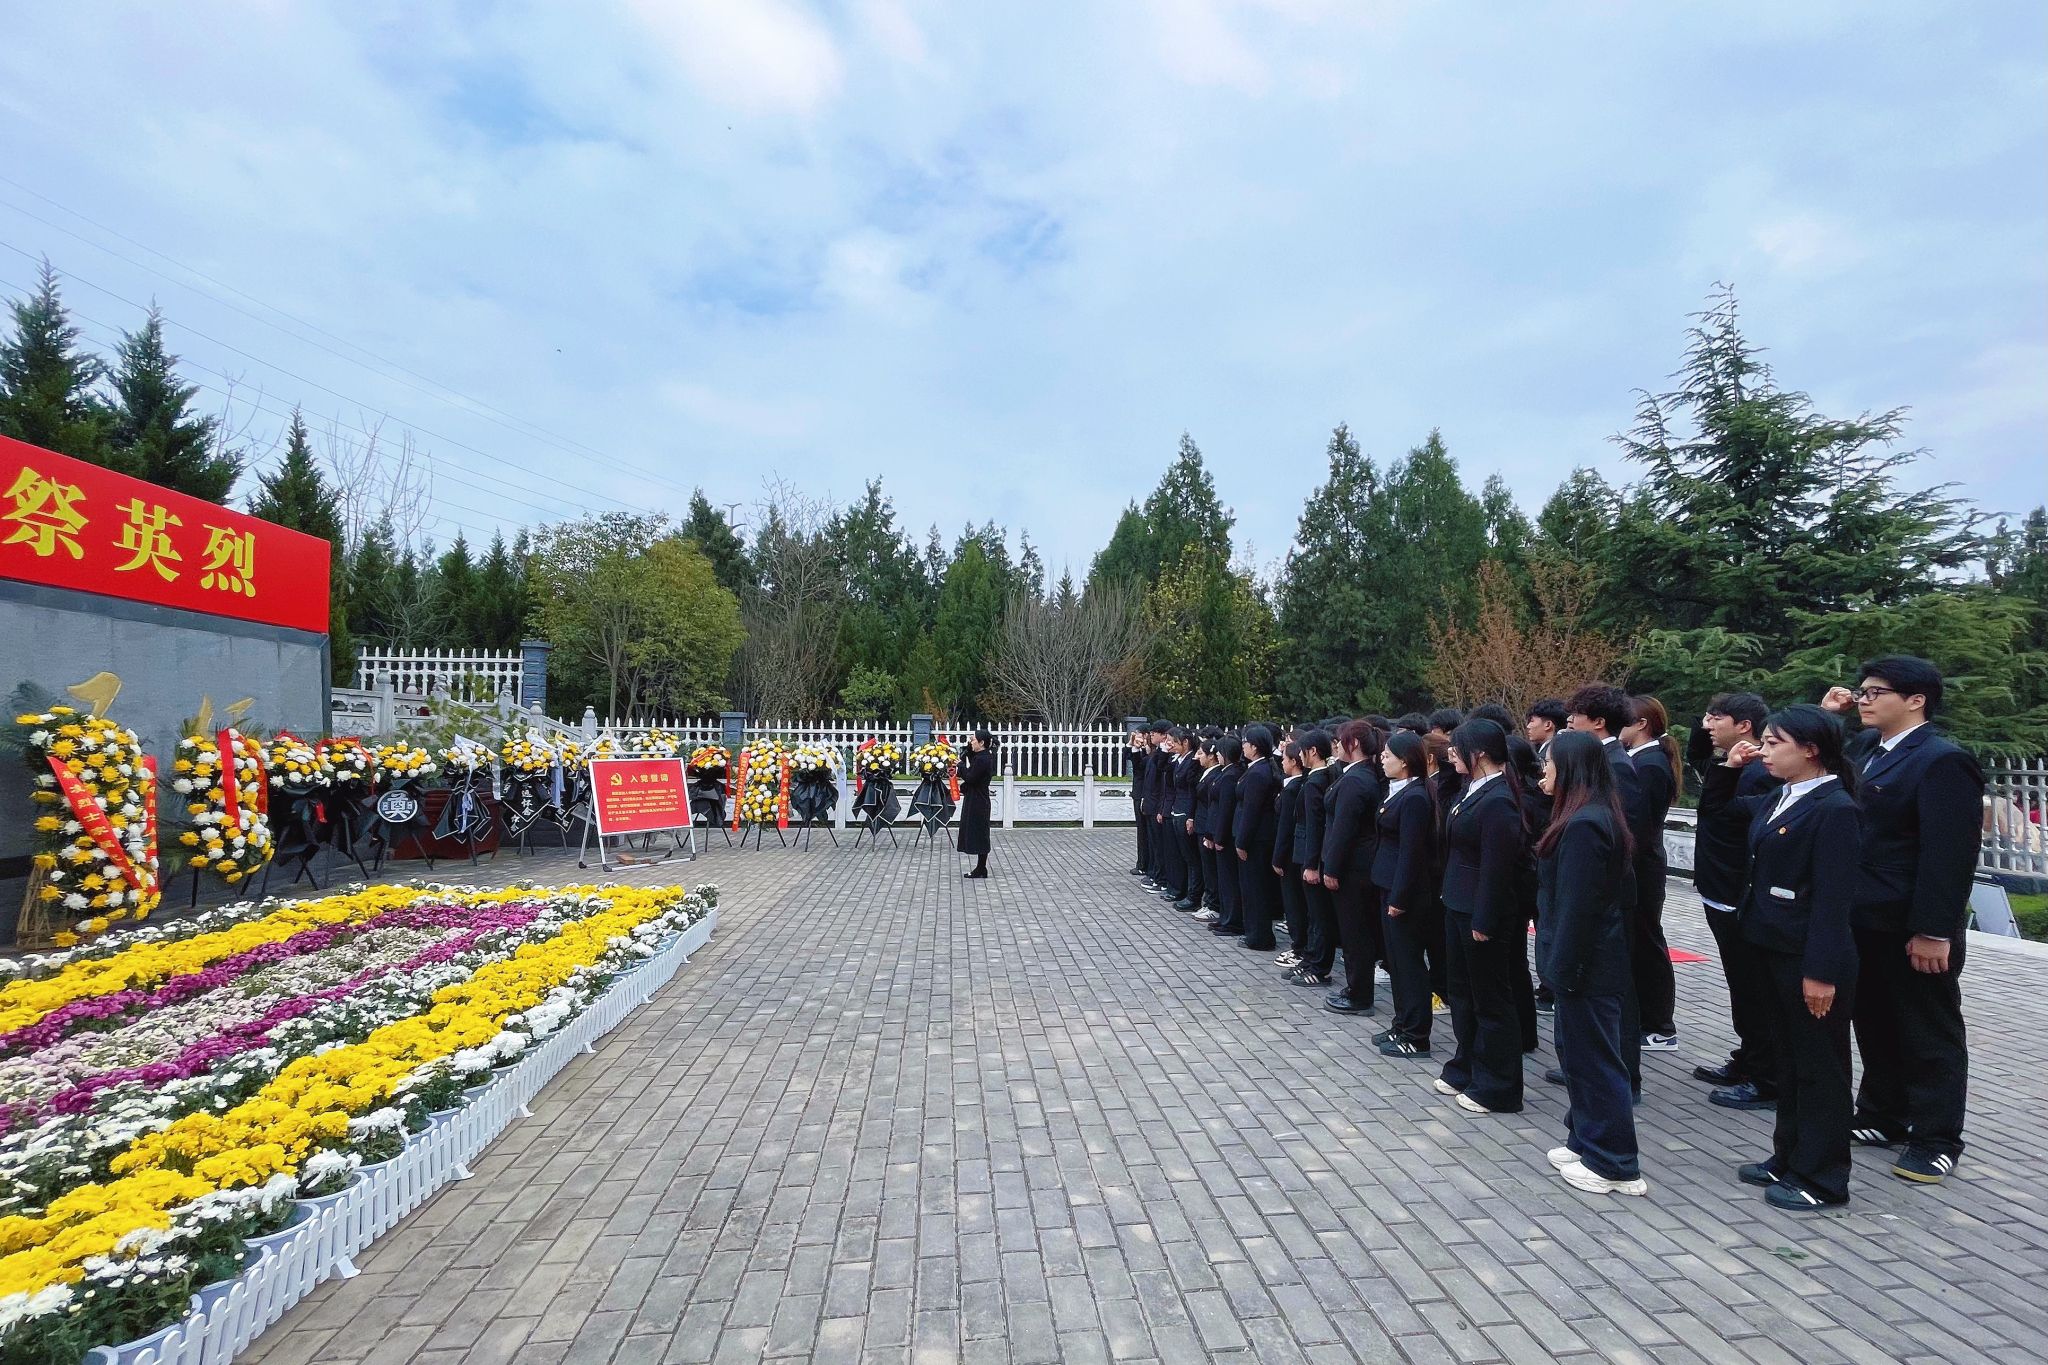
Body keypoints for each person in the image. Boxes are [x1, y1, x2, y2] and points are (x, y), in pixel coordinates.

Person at [1823, 656, 1984, 1185]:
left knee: (1927, 1029)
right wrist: (1829, 715)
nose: (1863, 699)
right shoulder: (1868, 748)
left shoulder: (1941, 761)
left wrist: (1933, 930)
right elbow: (1814, 761)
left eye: (1876, 692)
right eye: (1862, 691)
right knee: (1873, 1019)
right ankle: (1882, 1114)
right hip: (1862, 914)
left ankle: (1936, 1138)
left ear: (1916, 700)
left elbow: (1949, 854)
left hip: (1909, 922)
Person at [1712, 705, 1862, 1209]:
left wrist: (1820, 972)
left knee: (1820, 1067)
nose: (1764, 752)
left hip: (1807, 957)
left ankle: (1822, 1177)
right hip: (1770, 947)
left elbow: (1833, 900)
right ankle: (1790, 1156)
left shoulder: (1835, 808)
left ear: (1811, 750)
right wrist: (1727, 769)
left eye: (1775, 744)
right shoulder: (1782, 795)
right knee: (1790, 1061)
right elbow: (1721, 814)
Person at [1535, 730, 1646, 1196]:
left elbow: (1579, 907)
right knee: (1578, 1058)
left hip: (1587, 964)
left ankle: (1615, 1162)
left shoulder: (1586, 823)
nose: (1542, 773)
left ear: (1569, 769)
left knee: (1597, 1062)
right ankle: (1585, 1140)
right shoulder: (1590, 815)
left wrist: (1563, 970)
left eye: (1548, 765)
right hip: (1585, 960)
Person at [1689, 692, 1782, 1109]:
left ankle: (1766, 1075)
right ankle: (1749, 1058)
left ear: (1744, 727)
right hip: (1720, 891)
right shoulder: (1734, 764)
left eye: (1716, 718)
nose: (1707, 725)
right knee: (1741, 986)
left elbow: (1732, 824)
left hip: (1737, 894)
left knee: (1753, 989)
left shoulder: (1759, 774)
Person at [1436, 719, 1532, 1114]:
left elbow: (1497, 867)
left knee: (1490, 999)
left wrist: (1485, 919)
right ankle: (1467, 1065)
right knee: (1462, 992)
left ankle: (1499, 1086)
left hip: (1480, 911)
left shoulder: (1498, 799)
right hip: (1457, 903)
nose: (1450, 754)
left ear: (1479, 754)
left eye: (1457, 748)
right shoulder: (1472, 790)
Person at [1566, 684, 1647, 1094]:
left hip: (1610, 894)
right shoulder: (1597, 759)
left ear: (1598, 722)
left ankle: (1624, 1073)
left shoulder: (1617, 765)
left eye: (1576, 715)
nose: (1569, 721)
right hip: (1592, 887)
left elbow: (1623, 838)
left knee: (1617, 987)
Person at [1373, 730, 1439, 1056]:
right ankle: (1401, 1023)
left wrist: (1399, 898)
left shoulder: (1414, 797)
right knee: (1396, 962)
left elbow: (1411, 854)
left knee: (1409, 963)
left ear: (1405, 761)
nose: (1382, 759)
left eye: (1388, 755)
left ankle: (1416, 1033)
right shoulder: (1398, 790)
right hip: (1387, 884)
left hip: (1404, 893)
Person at [1621, 695, 1680, 1051]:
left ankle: (1659, 1025)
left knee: (1647, 943)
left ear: (1642, 723)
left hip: (1642, 868)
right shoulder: (1638, 759)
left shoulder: (1651, 764)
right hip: (1638, 864)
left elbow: (1639, 827)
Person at [1321, 721, 1385, 1013]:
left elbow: (1344, 830)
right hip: (1355, 864)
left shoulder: (1357, 780)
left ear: (1354, 744)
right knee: (1353, 931)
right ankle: (1355, 987)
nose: (1336, 747)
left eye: (1340, 741)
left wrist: (1332, 868)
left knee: (1355, 932)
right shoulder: (1357, 774)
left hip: (1353, 868)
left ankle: (1360, 994)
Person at [1290, 729, 1338, 987]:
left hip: (1313, 856)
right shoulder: (1318, 778)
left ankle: (1319, 967)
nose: (1299, 755)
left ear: (1313, 752)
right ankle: (1310, 959)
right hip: (1308, 853)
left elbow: (1315, 826)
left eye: (1302, 751)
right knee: (1313, 914)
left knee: (1319, 916)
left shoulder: (1316, 782)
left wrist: (1311, 864)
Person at [1233, 724, 1283, 951]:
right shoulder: (1257, 768)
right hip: (1258, 836)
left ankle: (1259, 936)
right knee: (1252, 887)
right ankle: (1254, 932)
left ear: (1254, 747)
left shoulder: (1258, 773)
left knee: (1255, 889)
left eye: (1246, 743)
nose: (1243, 746)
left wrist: (1242, 842)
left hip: (1256, 839)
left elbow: (1251, 811)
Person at [1199, 734, 1243, 931]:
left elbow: (1225, 810)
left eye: (1219, 751)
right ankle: (1225, 916)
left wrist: (1218, 837)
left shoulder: (1231, 775)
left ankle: (1231, 919)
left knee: (1229, 880)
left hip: (1224, 835)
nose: (1217, 754)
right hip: (1216, 830)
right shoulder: (1225, 772)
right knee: (1223, 879)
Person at [1273, 743, 1308, 969]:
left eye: (1284, 758)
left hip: (1289, 854)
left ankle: (1299, 948)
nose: (1281, 762)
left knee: (1294, 903)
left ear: (1294, 762)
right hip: (1293, 851)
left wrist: (1277, 858)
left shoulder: (1293, 788)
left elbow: (1285, 826)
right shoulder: (1295, 784)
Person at [1170, 728, 1204, 911]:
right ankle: (1184, 891)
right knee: (1184, 856)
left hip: (1186, 811)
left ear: (1185, 742)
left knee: (1192, 858)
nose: (1171, 745)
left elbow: (1192, 791)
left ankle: (1194, 896)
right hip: (1177, 809)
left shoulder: (1192, 762)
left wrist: (1190, 816)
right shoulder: (1179, 760)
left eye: (1174, 742)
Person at [958, 730, 997, 878]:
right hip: (974, 798)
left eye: (974, 740)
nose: (971, 742)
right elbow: (971, 757)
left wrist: (961, 765)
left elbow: (970, 777)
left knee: (981, 833)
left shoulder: (983, 759)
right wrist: (968, 750)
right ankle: (981, 868)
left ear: (981, 743)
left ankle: (981, 868)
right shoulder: (981, 756)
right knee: (978, 831)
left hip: (979, 801)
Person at [1127, 727, 1152, 877]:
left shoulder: (1151, 752)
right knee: (1141, 831)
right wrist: (1131, 744)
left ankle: (1144, 864)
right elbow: (1128, 757)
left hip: (1145, 794)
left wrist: (1142, 749)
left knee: (1145, 831)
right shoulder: (1140, 749)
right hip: (1138, 793)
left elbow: (1139, 766)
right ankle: (1142, 862)